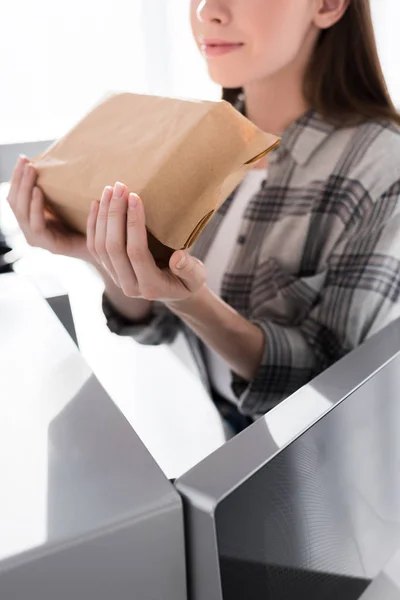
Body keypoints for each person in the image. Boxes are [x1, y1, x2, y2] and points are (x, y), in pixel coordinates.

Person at [7, 0, 400, 432]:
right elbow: (156, 326)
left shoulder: (384, 166)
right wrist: (96, 252)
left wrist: (192, 301)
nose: (207, 11)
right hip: (225, 455)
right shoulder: (198, 139)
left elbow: (329, 394)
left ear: (326, 6)